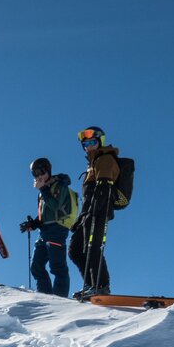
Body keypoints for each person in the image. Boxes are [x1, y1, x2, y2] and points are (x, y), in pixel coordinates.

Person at [69, 126, 120, 298]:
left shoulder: (105, 159)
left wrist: (95, 210)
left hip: (99, 210)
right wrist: (81, 217)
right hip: (88, 212)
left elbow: (104, 186)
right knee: (75, 250)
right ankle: (91, 285)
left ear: (100, 142)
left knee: (93, 248)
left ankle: (101, 286)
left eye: (92, 142)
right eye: (85, 144)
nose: (89, 146)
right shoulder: (91, 165)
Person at [19, 157, 73, 297]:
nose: (38, 176)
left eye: (40, 172)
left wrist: (43, 188)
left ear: (47, 170)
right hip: (44, 232)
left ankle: (60, 300)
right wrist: (34, 224)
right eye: (34, 174)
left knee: (57, 267)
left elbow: (56, 206)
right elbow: (45, 214)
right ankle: (45, 298)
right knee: (36, 267)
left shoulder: (60, 185)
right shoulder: (43, 192)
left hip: (57, 229)